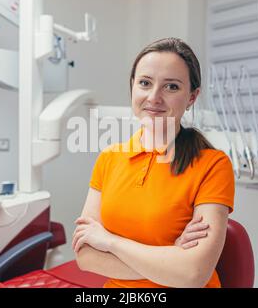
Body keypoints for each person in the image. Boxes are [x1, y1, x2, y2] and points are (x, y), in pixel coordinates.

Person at [72, 37, 235, 288]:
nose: (154, 97)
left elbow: (193, 275)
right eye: (145, 83)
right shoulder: (109, 159)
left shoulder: (213, 165)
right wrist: (171, 256)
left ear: (192, 97)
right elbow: (86, 257)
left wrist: (110, 242)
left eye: (171, 87)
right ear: (132, 87)